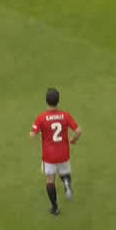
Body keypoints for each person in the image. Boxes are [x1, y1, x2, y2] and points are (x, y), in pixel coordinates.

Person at [29, 87, 81, 216]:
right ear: (58, 100)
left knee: (50, 181)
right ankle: (67, 184)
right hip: (63, 153)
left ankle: (55, 208)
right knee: (64, 172)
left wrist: (35, 132)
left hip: (49, 156)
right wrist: (73, 140)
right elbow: (78, 131)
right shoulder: (65, 115)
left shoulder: (41, 118)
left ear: (46, 101)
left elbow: (32, 135)